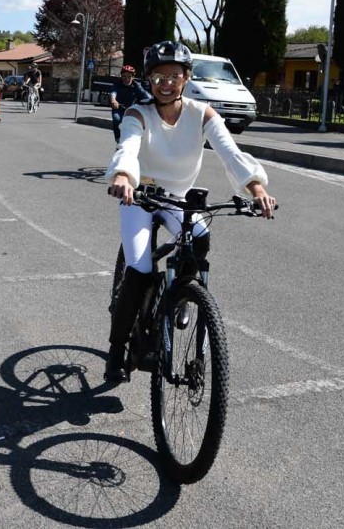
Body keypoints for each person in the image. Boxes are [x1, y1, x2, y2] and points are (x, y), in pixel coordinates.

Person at [103, 40, 276, 383]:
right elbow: (128, 147)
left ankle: (180, 296)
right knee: (138, 269)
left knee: (200, 237)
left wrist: (256, 187)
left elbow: (229, 151)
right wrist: (123, 176)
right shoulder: (139, 113)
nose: (165, 83)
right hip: (138, 197)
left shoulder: (203, 114)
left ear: (186, 78)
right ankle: (116, 348)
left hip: (176, 198)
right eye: (158, 77)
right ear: (149, 80)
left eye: (174, 76)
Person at [109, 64, 152, 144]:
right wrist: (113, 100)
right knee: (117, 120)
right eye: (124, 76)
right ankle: (118, 139)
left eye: (129, 76)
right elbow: (113, 93)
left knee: (137, 123)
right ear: (121, 76)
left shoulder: (137, 86)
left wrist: (153, 101)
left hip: (131, 110)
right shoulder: (117, 84)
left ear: (133, 77)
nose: (126, 79)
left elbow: (145, 95)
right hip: (118, 109)